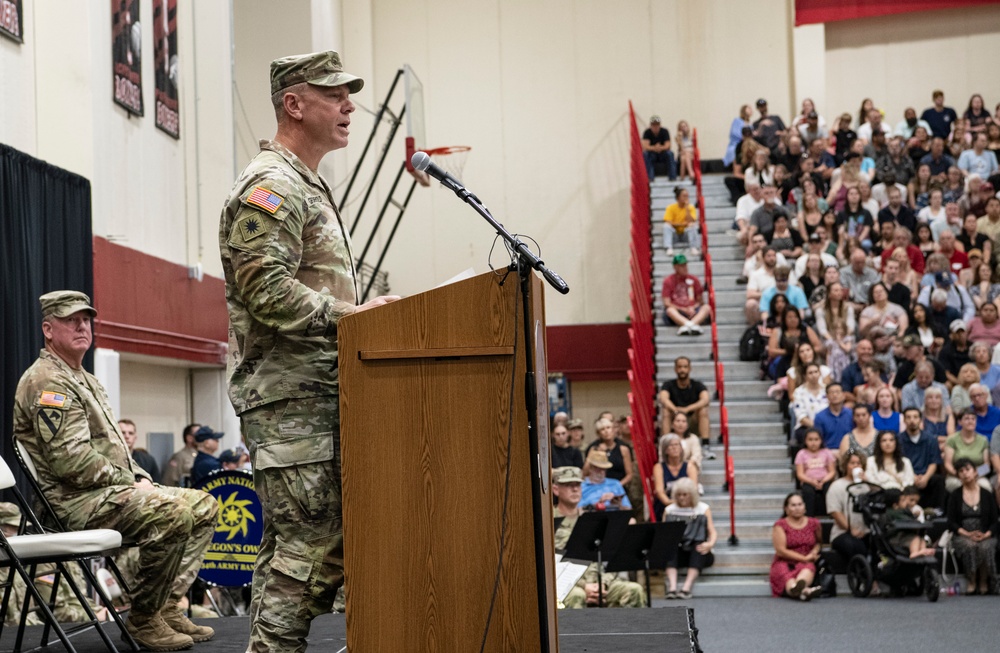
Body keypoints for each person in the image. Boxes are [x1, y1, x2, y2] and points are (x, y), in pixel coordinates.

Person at [219, 51, 402, 652]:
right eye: (334, 94)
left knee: (300, 548)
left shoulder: (306, 184)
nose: (350, 105)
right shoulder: (270, 187)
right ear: (293, 105)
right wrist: (356, 318)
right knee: (310, 548)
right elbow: (266, 290)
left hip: (318, 393)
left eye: (349, 94)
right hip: (291, 400)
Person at [13, 291, 218, 650]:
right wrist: (132, 483)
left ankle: (164, 607)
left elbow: (116, 452)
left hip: (102, 492)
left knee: (204, 505)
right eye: (70, 320)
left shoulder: (84, 378)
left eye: (86, 319)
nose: (82, 326)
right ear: (48, 329)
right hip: (70, 503)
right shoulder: (47, 382)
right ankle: (143, 618)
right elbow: (71, 462)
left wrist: (142, 478)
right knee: (171, 513)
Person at [552, 467, 646, 608]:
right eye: (568, 485)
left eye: (577, 485)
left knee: (634, 590)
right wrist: (585, 586)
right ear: (556, 490)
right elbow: (550, 563)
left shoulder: (593, 519)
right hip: (568, 584)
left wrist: (603, 583)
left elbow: (609, 555)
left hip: (601, 581)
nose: (575, 489)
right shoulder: (548, 521)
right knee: (576, 596)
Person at [946, 457, 999, 595]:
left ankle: (983, 581)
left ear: (976, 472)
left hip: (985, 533)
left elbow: (995, 520)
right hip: (963, 534)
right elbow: (951, 522)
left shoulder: (987, 494)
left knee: (986, 546)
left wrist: (986, 534)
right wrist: (967, 534)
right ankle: (971, 580)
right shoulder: (955, 495)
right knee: (970, 545)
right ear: (958, 476)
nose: (965, 473)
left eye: (968, 469)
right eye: (961, 471)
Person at [662, 478, 716, 599]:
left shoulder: (703, 509)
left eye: (685, 494)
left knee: (699, 544)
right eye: (679, 495)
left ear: (691, 495)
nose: (682, 498)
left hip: (697, 552)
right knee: (670, 544)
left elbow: (711, 531)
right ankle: (672, 588)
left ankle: (686, 587)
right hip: (678, 551)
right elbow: (664, 534)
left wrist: (710, 544)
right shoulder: (669, 510)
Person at [769, 492, 821, 601]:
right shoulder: (780, 525)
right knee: (787, 577)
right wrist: (804, 558)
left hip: (806, 561)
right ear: (786, 508)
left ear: (804, 506)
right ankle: (805, 591)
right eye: (793, 505)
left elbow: (819, 542)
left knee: (807, 570)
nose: (797, 508)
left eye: (800, 504)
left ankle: (800, 589)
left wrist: (814, 552)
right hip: (784, 561)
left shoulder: (814, 523)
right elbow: (780, 550)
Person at [826, 451, 871, 560]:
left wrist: (868, 482)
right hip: (842, 532)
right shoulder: (836, 486)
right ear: (846, 465)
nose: (856, 466)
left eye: (859, 463)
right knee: (857, 547)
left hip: (867, 530)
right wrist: (851, 529)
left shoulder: (868, 485)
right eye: (852, 463)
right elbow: (836, 512)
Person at [899, 408, 946, 509]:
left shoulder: (931, 439)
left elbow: (934, 462)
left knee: (939, 480)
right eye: (908, 417)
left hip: (926, 475)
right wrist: (913, 476)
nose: (912, 420)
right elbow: (900, 462)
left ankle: (938, 512)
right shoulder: (899, 440)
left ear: (920, 420)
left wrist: (926, 477)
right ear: (904, 420)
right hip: (908, 476)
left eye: (915, 417)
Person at [661, 253, 710, 335]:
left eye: (685, 265)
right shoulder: (668, 281)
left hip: (693, 310)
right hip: (678, 310)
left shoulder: (694, 279)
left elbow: (700, 301)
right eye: (681, 266)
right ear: (675, 267)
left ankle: (689, 325)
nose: (685, 268)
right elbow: (667, 303)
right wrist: (683, 309)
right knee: (670, 310)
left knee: (707, 307)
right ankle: (690, 325)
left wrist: (693, 308)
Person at [943, 409, 992, 492]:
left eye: (973, 419)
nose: (970, 421)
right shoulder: (952, 439)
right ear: (960, 422)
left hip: (977, 476)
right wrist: (961, 475)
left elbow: (987, 465)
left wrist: (974, 475)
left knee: (985, 486)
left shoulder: (983, 440)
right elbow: (947, 464)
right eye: (967, 419)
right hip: (956, 476)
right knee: (956, 485)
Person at [884, 488, 937, 559]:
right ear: (895, 505)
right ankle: (914, 553)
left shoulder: (902, 511)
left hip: (902, 535)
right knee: (915, 538)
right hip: (896, 538)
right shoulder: (894, 513)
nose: (906, 502)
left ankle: (922, 551)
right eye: (903, 500)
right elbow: (907, 520)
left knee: (921, 538)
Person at [652, 434, 696, 519]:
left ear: (681, 448)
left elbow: (693, 489)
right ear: (665, 450)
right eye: (671, 445)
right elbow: (659, 491)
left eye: (676, 445)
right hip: (665, 505)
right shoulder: (658, 467)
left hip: (687, 504)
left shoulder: (690, 466)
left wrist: (683, 503)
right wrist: (670, 503)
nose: (674, 448)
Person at [795, 428, 836, 516]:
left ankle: (832, 514)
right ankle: (809, 516)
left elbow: (832, 471)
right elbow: (800, 474)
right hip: (808, 481)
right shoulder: (801, 454)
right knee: (808, 491)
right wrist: (812, 481)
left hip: (825, 480)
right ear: (805, 441)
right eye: (810, 440)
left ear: (821, 440)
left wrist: (823, 480)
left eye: (816, 439)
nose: (813, 442)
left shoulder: (827, 452)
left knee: (829, 489)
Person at [584, 418, 634, 488]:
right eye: (602, 429)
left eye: (608, 428)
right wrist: (596, 454)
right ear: (598, 433)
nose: (606, 431)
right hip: (598, 487)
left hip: (619, 486)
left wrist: (616, 486)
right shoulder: (594, 448)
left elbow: (629, 475)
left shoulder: (623, 449)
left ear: (613, 430)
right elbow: (585, 472)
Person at [119, 418, 160, 484]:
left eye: (130, 433)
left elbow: (157, 486)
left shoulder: (148, 460)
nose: (127, 436)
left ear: (135, 437)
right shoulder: (107, 459)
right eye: (123, 432)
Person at [662, 186, 700, 256]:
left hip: (686, 235)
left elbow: (691, 221)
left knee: (692, 225)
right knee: (666, 226)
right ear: (678, 198)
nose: (686, 198)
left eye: (687, 196)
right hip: (675, 234)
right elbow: (668, 222)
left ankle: (693, 248)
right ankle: (668, 248)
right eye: (684, 196)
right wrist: (683, 224)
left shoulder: (691, 207)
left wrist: (686, 208)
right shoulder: (670, 207)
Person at [814, 382, 853, 451]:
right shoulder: (820, 417)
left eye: (837, 392)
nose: (835, 395)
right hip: (827, 452)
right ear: (827, 396)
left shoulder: (851, 414)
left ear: (844, 395)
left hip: (850, 451)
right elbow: (818, 440)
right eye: (831, 392)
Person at [161, 423, 201, 487]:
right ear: (189, 438)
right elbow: (169, 481)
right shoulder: (180, 456)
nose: (203, 437)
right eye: (199, 434)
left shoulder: (201, 456)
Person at [642, 114, 675, 181]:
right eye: (653, 125)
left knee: (670, 153)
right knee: (645, 154)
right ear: (651, 125)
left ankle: (672, 177)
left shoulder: (664, 131)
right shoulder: (647, 132)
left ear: (660, 125)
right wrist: (655, 148)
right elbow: (645, 146)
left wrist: (659, 148)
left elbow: (668, 145)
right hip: (652, 154)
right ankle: (650, 178)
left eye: (657, 124)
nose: (655, 126)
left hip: (663, 153)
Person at [724, 104, 752, 169]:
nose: (751, 110)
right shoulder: (737, 121)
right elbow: (734, 133)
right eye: (749, 108)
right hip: (737, 144)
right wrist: (743, 138)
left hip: (748, 144)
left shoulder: (750, 123)